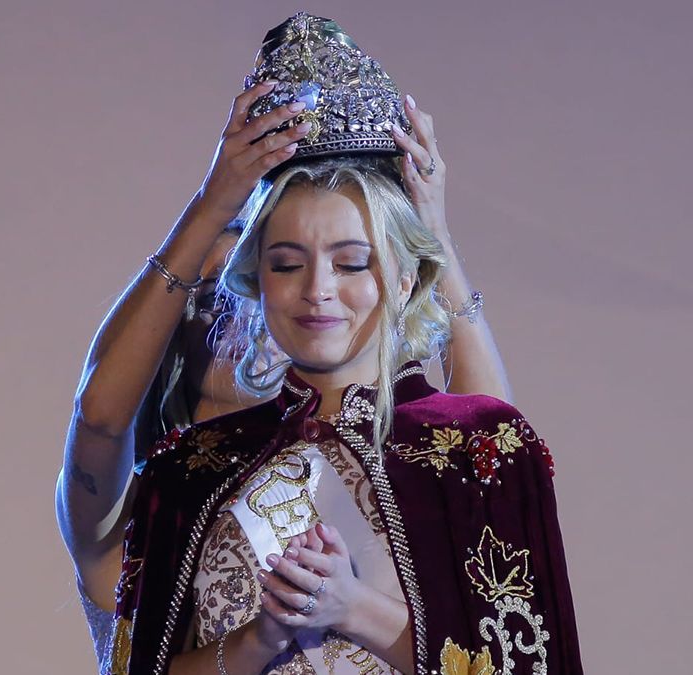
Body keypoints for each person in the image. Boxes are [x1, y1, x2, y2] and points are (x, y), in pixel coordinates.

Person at [103, 14, 583, 675]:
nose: (317, 291)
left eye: (352, 262)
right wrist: (259, 639)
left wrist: (351, 605)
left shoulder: (475, 446)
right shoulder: (191, 469)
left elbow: (520, 662)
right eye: (287, 262)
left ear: (406, 275)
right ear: (255, 277)